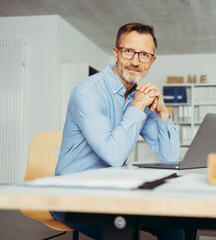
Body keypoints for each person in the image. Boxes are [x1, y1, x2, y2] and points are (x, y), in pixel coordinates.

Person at [50, 23, 184, 240]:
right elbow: (113, 156)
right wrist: (138, 106)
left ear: (152, 61)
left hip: (113, 191)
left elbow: (169, 156)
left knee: (175, 222)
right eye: (129, 51)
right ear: (116, 53)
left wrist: (163, 113)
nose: (135, 61)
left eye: (144, 55)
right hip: (70, 194)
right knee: (123, 233)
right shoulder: (87, 92)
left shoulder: (138, 96)